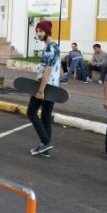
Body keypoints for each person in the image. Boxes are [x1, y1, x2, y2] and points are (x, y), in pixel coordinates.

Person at [27, 20, 61, 158]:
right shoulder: (55, 46)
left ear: (47, 31)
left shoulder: (49, 48)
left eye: (41, 31)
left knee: (31, 112)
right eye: (37, 31)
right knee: (46, 116)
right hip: (53, 87)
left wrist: (41, 90)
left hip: (45, 87)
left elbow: (48, 69)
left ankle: (46, 142)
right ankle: (45, 149)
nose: (38, 34)